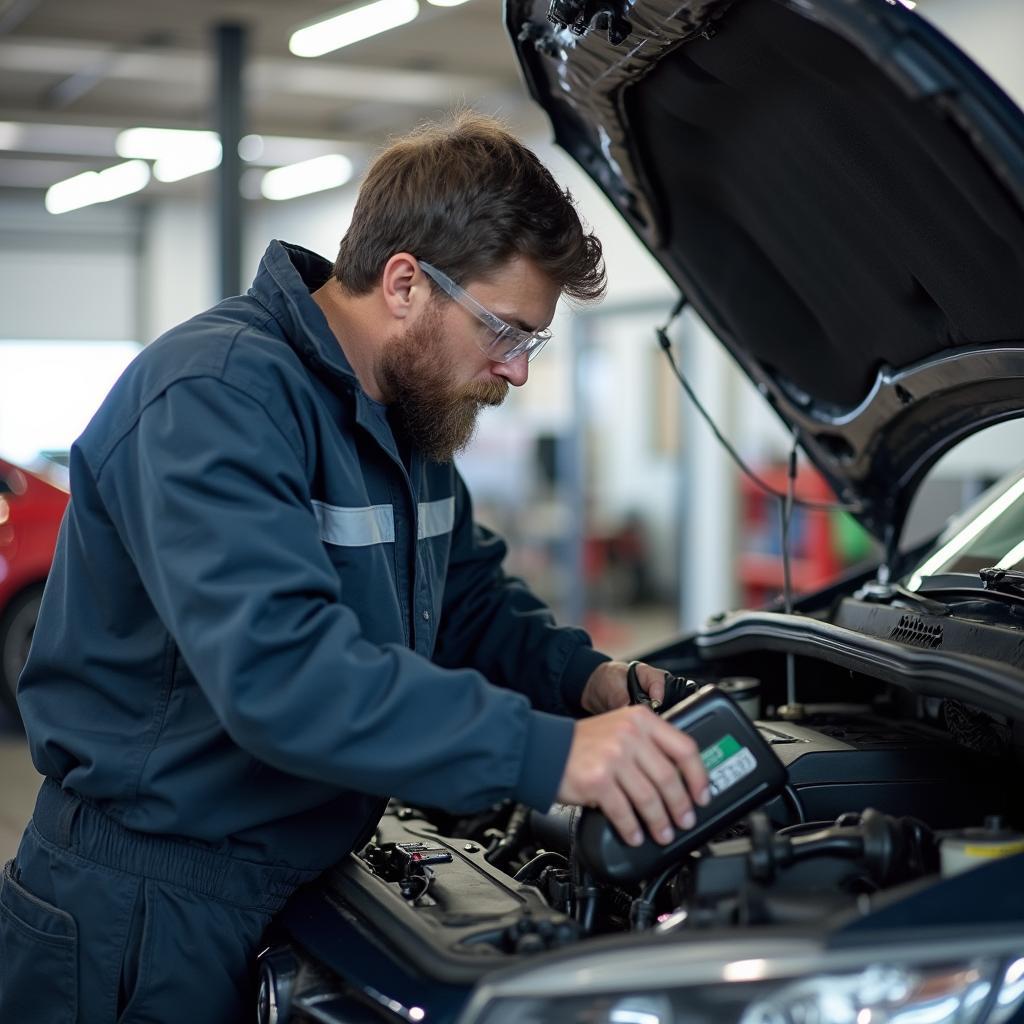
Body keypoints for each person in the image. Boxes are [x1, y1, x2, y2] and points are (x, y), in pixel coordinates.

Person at [0, 112, 708, 1023]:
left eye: (529, 342)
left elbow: (466, 604)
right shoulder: (212, 396)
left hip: (300, 873)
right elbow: (283, 674)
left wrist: (591, 681)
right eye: (506, 330)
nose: (517, 370)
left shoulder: (406, 419)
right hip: (145, 911)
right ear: (406, 283)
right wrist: (551, 755)